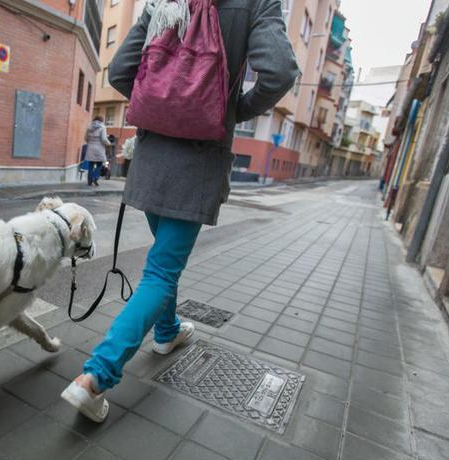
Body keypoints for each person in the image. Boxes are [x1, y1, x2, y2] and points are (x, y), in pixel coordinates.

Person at [61, 0, 299, 422]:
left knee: (162, 260)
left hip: (152, 161)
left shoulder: (165, 2)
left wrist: (163, 103)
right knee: (161, 272)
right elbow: (279, 71)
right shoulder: (259, 4)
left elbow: (119, 72)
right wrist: (229, 109)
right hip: (199, 162)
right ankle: (95, 376)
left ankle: (167, 332)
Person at [84, 116, 111, 186]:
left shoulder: (89, 127)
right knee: (99, 165)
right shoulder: (102, 127)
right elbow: (104, 139)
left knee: (90, 165)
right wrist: (109, 143)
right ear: (101, 120)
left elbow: (85, 138)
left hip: (90, 148)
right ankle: (95, 177)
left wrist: (90, 143)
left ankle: (89, 181)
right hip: (99, 149)